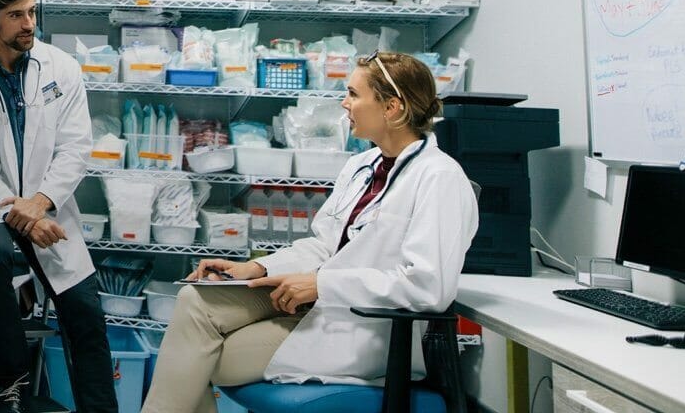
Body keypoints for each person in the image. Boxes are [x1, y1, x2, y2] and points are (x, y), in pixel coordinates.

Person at [141, 52, 480, 413]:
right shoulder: (361, 165)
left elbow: (428, 287)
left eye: (353, 94)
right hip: (319, 302)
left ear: (392, 108)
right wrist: (259, 269)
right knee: (196, 300)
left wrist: (323, 285)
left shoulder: (439, 178)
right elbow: (324, 245)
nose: (344, 103)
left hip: (367, 328)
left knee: (201, 356)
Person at [0, 0, 117, 413]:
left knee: (85, 312)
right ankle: (12, 388)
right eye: (16, 14)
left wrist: (38, 206)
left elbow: (76, 147)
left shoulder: (62, 68)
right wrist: (18, 211)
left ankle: (100, 408)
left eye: (32, 12)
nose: (28, 24)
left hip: (48, 202)